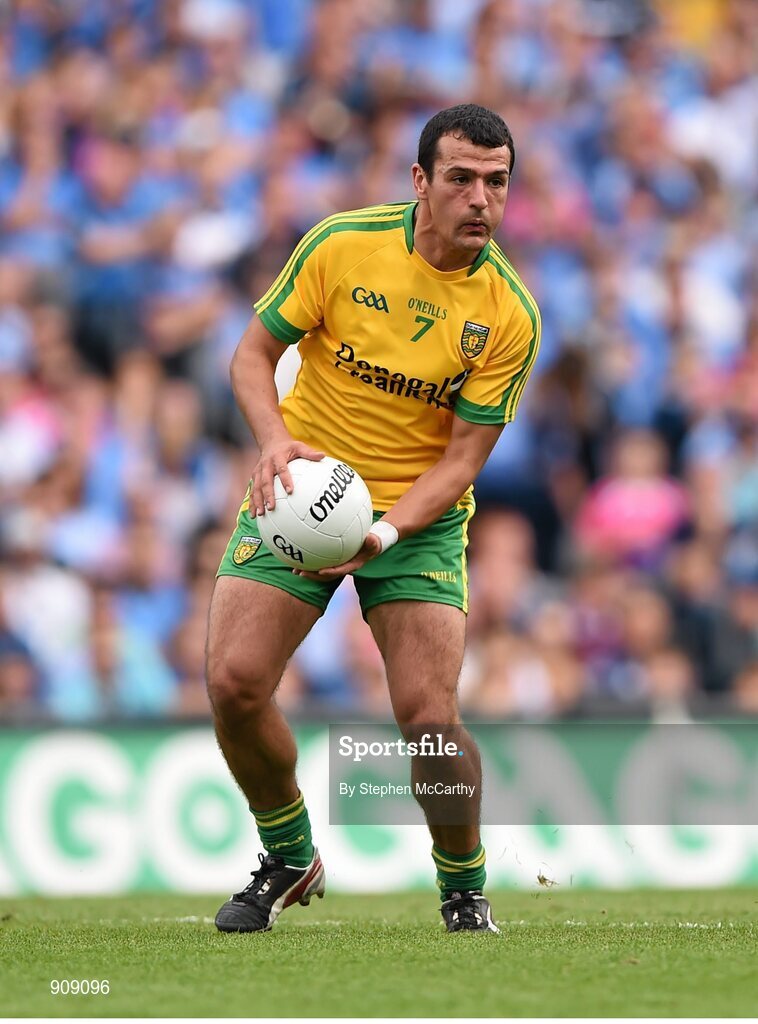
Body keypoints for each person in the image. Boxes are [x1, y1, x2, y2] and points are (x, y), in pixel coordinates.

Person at [207, 104, 541, 934]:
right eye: (460, 178)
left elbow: (462, 462)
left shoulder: (508, 313)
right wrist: (275, 443)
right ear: (420, 181)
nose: (480, 200)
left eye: (496, 182)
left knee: (429, 720)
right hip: (301, 493)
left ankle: (463, 889)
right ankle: (289, 854)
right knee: (233, 685)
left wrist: (382, 534)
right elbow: (252, 354)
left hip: (416, 521)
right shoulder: (342, 245)